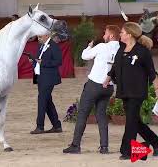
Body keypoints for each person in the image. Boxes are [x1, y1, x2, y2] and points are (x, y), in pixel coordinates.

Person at [104, 22, 158, 160]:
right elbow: (116, 65)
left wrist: (157, 89)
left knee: (130, 123)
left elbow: (152, 73)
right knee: (135, 121)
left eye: (122, 32)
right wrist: (108, 78)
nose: (120, 34)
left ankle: (127, 151)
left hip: (137, 91)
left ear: (129, 34)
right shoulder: (121, 49)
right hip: (124, 90)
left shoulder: (142, 51)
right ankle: (156, 143)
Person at [63, 25, 121, 154]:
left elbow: (85, 56)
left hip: (94, 85)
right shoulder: (121, 49)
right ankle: (104, 146)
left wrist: (89, 46)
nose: (103, 36)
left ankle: (75, 145)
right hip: (109, 87)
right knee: (101, 116)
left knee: (83, 114)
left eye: (105, 33)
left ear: (111, 35)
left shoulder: (101, 47)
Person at [30, 33, 63, 134]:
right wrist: (33, 61)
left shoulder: (54, 46)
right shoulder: (41, 45)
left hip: (49, 78)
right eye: (38, 37)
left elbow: (58, 61)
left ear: (47, 35)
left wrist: (43, 62)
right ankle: (57, 126)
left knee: (42, 100)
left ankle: (40, 126)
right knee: (47, 101)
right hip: (41, 77)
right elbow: (38, 58)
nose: (38, 39)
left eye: (40, 37)